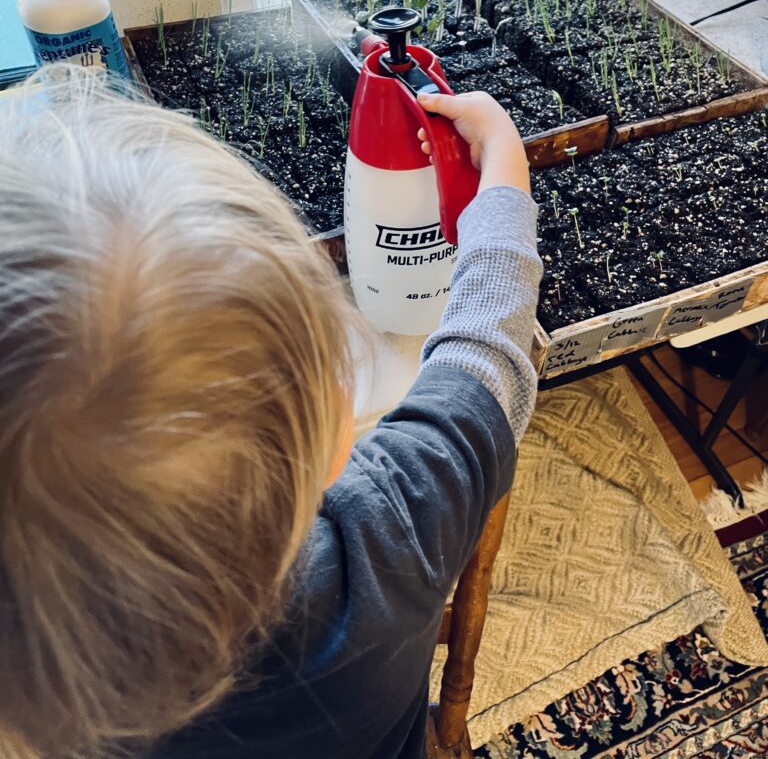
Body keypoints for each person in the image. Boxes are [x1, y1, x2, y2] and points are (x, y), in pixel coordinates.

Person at [0, 64, 541, 759]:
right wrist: (500, 167)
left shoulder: (31, 703)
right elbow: (488, 354)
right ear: (337, 440)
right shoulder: (393, 534)